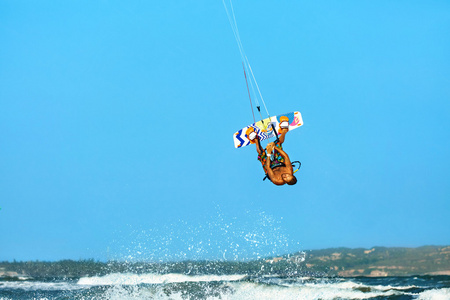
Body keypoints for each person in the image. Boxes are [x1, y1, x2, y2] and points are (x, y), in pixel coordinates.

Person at [246, 116, 297, 186]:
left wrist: (269, 154)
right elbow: (286, 156)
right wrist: (274, 147)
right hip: (280, 162)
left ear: (285, 182)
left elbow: (268, 167)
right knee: (278, 144)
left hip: (269, 167)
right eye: (288, 175)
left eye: (285, 178)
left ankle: (255, 139)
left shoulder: (276, 180)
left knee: (261, 154)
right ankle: (284, 130)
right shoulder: (289, 170)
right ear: (291, 174)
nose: (285, 175)